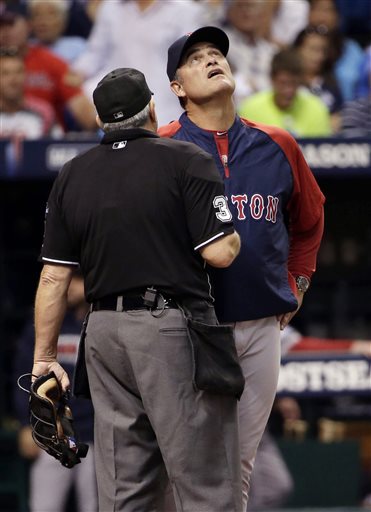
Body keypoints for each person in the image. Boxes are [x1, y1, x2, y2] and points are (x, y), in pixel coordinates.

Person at [32, 67, 243, 511]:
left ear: (102, 121)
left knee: (125, 491)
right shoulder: (185, 158)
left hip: (103, 334)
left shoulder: (73, 174)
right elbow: (221, 254)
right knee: (203, 484)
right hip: (168, 329)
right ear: (152, 108)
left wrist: (45, 359)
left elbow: (53, 278)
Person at [159, 26, 325, 510]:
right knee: (184, 462)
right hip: (190, 327)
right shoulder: (164, 147)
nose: (212, 59)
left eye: (217, 54)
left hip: (260, 325)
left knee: (241, 462)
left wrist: (298, 281)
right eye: (196, 59)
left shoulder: (277, 143)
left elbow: (310, 219)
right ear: (177, 88)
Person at [13, 272, 97, 512]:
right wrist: (25, 424)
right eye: (67, 280)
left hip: (94, 433)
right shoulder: (47, 324)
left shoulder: (101, 325)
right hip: (52, 433)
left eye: (77, 279)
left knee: (97, 506)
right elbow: (24, 374)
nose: (69, 287)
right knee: (44, 506)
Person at [70, 0, 207, 125]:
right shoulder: (110, 7)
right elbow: (95, 53)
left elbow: (192, 59)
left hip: (166, 102)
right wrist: (76, 76)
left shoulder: (186, 10)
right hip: (116, 94)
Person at [0, 1, 96, 132]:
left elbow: (85, 114)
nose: (5, 32)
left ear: (28, 25)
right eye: (1, 26)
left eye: (11, 25)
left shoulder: (51, 61)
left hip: (45, 135)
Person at [238, 47, 332, 137]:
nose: (288, 90)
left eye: (293, 83)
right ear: (272, 79)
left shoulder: (317, 109)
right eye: (283, 83)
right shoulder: (250, 109)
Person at [0, 47, 62, 139]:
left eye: (18, 72)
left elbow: (55, 147)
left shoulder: (44, 112)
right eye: (5, 73)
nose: (13, 80)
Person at [27, 0, 87, 65]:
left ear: (62, 21)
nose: (43, 22)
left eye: (49, 16)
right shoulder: (26, 49)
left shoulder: (79, 47)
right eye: (37, 15)